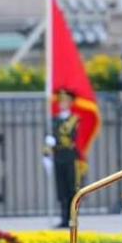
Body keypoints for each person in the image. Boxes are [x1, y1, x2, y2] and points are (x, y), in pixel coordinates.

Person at [45, 88, 81, 228]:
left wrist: (57, 141)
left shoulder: (74, 119)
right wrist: (47, 147)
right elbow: (49, 136)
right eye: (61, 101)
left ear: (71, 102)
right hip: (58, 155)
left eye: (65, 101)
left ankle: (72, 218)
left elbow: (73, 137)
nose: (62, 103)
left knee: (72, 188)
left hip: (70, 156)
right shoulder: (54, 120)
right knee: (61, 188)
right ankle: (63, 218)